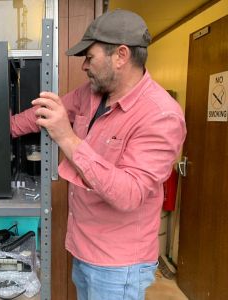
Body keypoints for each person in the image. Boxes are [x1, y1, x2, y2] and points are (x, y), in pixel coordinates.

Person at [10, 9, 186, 300]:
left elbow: (129, 193)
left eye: (90, 57)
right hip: (83, 246)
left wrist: (66, 137)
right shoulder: (93, 94)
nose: (84, 66)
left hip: (118, 266)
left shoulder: (161, 116)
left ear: (120, 55)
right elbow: (47, 112)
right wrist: (8, 127)